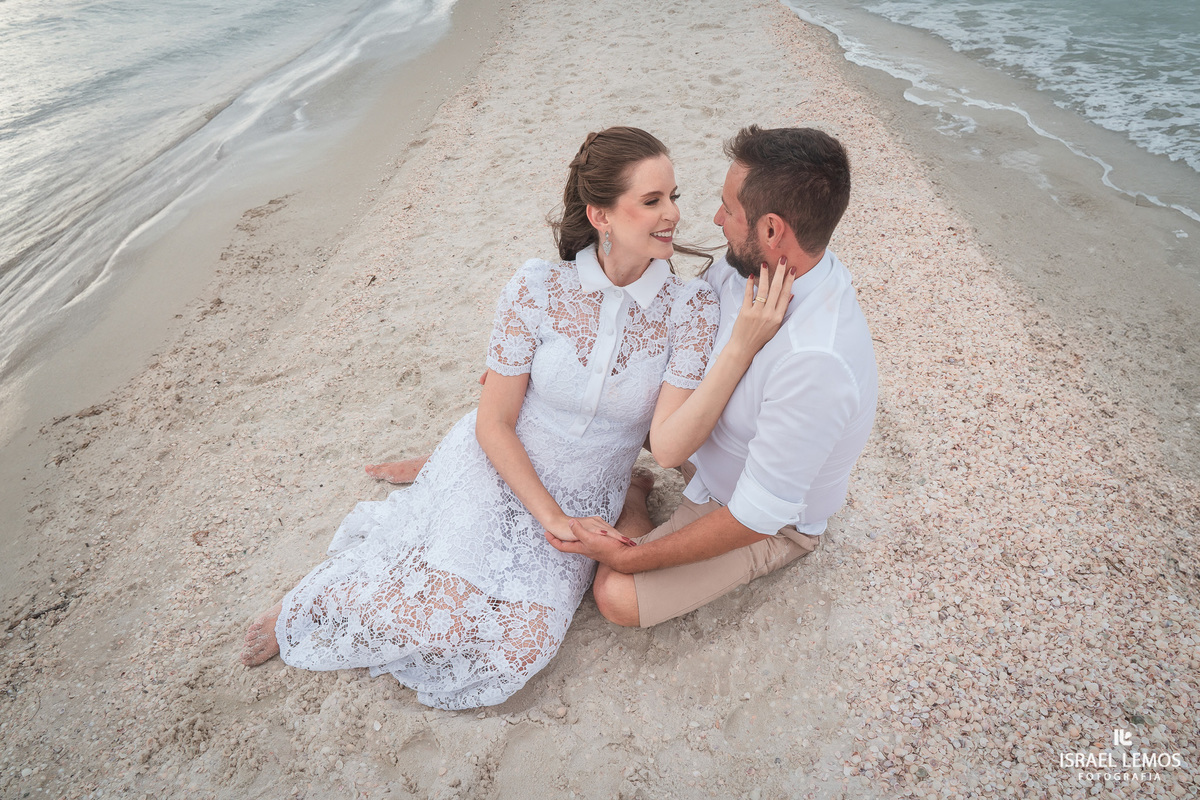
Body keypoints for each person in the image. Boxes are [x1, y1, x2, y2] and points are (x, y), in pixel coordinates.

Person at [239, 126, 796, 710]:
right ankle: (313, 599)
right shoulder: (536, 287)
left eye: (674, 196)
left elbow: (672, 447)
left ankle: (626, 495)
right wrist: (550, 517)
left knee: (517, 651)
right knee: (434, 619)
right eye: (653, 200)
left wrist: (739, 349)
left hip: (588, 492)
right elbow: (494, 423)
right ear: (600, 215)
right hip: (501, 467)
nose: (675, 215)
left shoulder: (690, 308)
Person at [546, 125, 879, 629]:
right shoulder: (749, 267)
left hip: (762, 520)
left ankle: (635, 495)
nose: (716, 219)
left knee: (616, 595)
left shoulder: (815, 361)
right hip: (696, 452)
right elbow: (661, 334)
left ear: (771, 230)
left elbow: (755, 516)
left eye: (730, 210)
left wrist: (631, 557)